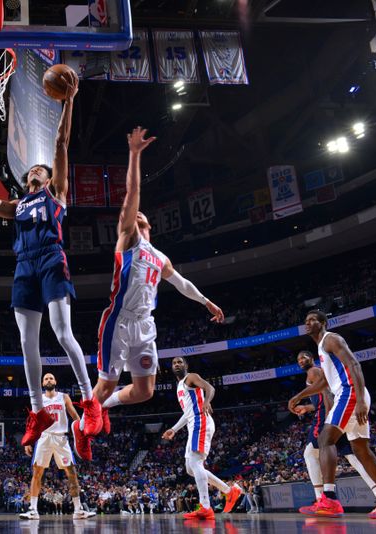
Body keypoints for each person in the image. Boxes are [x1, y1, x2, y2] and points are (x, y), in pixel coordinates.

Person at [0, 70, 102, 449]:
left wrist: (69, 101)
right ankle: (37, 411)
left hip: (51, 259)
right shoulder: (20, 203)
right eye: (34, 169)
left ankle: (90, 402)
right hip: (24, 266)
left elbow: (61, 141)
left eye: (43, 167)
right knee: (27, 344)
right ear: (27, 179)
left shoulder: (57, 191)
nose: (38, 169)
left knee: (62, 332)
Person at [91, 128, 224, 452]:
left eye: (140, 217)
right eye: (131, 214)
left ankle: (102, 409)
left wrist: (206, 302)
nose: (134, 215)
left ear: (148, 225)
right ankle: (85, 421)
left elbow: (181, 284)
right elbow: (132, 194)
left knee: (144, 391)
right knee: (106, 384)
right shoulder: (129, 239)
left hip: (145, 325)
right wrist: (135, 154)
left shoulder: (160, 256)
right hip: (119, 320)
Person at [289, 310, 376, 518]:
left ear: (323, 323)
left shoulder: (331, 339)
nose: (308, 323)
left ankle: (329, 498)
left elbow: (354, 364)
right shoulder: (321, 349)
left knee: (325, 438)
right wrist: (298, 396)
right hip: (350, 394)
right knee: (361, 451)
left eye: (313, 320)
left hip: (350, 393)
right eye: (306, 320)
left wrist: (358, 401)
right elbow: (323, 383)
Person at [292, 350, 376, 515]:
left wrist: (330, 419)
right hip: (334, 414)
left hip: (326, 418)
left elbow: (327, 395)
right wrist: (307, 407)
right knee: (353, 458)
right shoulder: (316, 372)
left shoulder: (313, 371)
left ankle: (322, 499)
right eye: (298, 359)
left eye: (304, 357)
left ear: (312, 358)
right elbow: (322, 398)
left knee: (309, 453)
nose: (301, 360)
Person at [162, 357, 242, 520]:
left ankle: (205, 506)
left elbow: (210, 388)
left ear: (186, 365)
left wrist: (206, 401)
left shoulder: (190, 377)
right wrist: (174, 429)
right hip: (193, 422)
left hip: (201, 420)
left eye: (180, 362)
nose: (177, 364)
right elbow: (187, 413)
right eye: (174, 363)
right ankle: (229, 491)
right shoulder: (179, 386)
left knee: (196, 463)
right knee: (190, 469)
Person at [19, 373, 96, 520]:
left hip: (61, 438)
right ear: (42, 383)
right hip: (44, 437)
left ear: (56, 381)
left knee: (72, 472)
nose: (49, 380)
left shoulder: (64, 397)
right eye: (46, 378)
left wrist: (82, 432)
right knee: (37, 473)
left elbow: (75, 416)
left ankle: (78, 510)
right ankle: (33, 510)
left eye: (51, 378)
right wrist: (28, 441)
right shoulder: (39, 399)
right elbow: (33, 421)